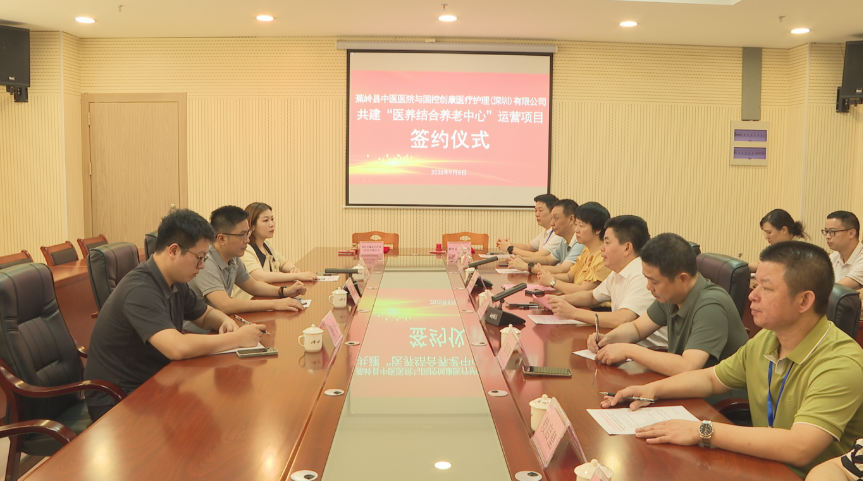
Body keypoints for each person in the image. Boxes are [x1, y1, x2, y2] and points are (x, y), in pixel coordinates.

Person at [603, 241, 863, 477]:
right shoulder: (768, 338)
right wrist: (651, 390)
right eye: (755, 284)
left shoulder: (840, 363)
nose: (752, 295)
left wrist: (702, 430)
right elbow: (711, 378)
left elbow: (799, 448)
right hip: (762, 464)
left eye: (766, 288)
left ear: (804, 300)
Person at [83, 209, 267, 421]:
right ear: (173, 250)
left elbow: (204, 315)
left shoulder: (175, 281)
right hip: (119, 401)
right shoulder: (140, 289)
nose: (202, 266)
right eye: (199, 258)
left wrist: (224, 320)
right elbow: (176, 347)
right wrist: (237, 338)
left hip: (157, 381)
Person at [587, 233, 748, 377]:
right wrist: (608, 339)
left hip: (719, 396)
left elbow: (688, 366)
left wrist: (629, 350)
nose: (648, 287)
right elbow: (637, 328)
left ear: (682, 279)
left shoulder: (711, 306)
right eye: (647, 279)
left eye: (654, 281)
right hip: (684, 385)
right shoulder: (673, 295)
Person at [548, 215, 666, 348]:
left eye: (607, 243)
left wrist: (573, 313)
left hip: (653, 350)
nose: (602, 248)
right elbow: (592, 296)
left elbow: (623, 318)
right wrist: (559, 300)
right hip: (627, 345)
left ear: (627, 248)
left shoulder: (641, 274)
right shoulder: (618, 271)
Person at [188, 206, 306, 324]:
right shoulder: (205, 261)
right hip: (199, 332)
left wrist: (284, 291)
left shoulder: (233, 256)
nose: (247, 240)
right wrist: (275, 304)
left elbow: (253, 286)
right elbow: (225, 305)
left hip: (222, 324)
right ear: (222, 238)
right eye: (242, 235)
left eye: (248, 233)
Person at [233, 202, 316, 300]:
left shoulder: (266, 244)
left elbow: (283, 262)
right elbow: (261, 277)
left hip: (269, 298)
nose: (272, 224)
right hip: (251, 302)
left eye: (272, 219)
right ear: (252, 225)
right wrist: (297, 276)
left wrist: (292, 268)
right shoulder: (245, 249)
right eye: (266, 220)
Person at [536, 202, 611, 294]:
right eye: (576, 224)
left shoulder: (603, 257)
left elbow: (584, 290)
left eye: (581, 226)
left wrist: (552, 281)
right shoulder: (587, 250)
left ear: (597, 229)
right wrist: (547, 276)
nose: (576, 230)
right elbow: (569, 276)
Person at [509, 199, 584, 274]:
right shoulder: (564, 241)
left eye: (556, 218)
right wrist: (523, 259)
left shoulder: (580, 242)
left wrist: (526, 266)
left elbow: (562, 269)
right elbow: (548, 260)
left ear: (571, 219)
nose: (551, 223)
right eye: (551, 218)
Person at [496, 194, 563, 257]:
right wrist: (508, 244)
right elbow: (527, 248)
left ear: (552, 212)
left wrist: (509, 248)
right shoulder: (545, 231)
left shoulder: (558, 234)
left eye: (540, 210)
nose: (537, 214)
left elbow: (538, 256)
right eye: (536, 210)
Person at [825, 211, 863, 290]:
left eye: (832, 232)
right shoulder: (834, 256)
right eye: (826, 231)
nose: (827, 236)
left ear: (851, 233)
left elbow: (836, 290)